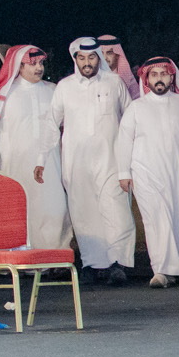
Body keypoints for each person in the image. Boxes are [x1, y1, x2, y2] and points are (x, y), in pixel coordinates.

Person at [51, 36, 135, 285]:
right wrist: (42, 160)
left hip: (112, 160)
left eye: (91, 57)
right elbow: (51, 124)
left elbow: (130, 119)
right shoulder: (64, 87)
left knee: (117, 212)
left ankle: (119, 263)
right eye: (82, 58)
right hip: (77, 163)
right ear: (75, 59)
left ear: (99, 58)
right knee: (84, 213)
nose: (87, 62)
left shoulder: (114, 82)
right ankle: (93, 263)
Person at [116, 56, 179, 288]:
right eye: (154, 75)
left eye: (163, 74)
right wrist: (123, 172)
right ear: (146, 79)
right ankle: (161, 270)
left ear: (171, 77)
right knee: (156, 219)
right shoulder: (136, 107)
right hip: (145, 172)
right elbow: (124, 141)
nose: (159, 79)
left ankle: (177, 270)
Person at [0, 45, 70, 250]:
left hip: (49, 165)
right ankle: (17, 258)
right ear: (19, 66)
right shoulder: (3, 95)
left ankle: (52, 257)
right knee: (18, 212)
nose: (39, 68)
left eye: (41, 63)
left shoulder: (53, 91)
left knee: (53, 209)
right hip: (14, 165)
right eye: (33, 64)